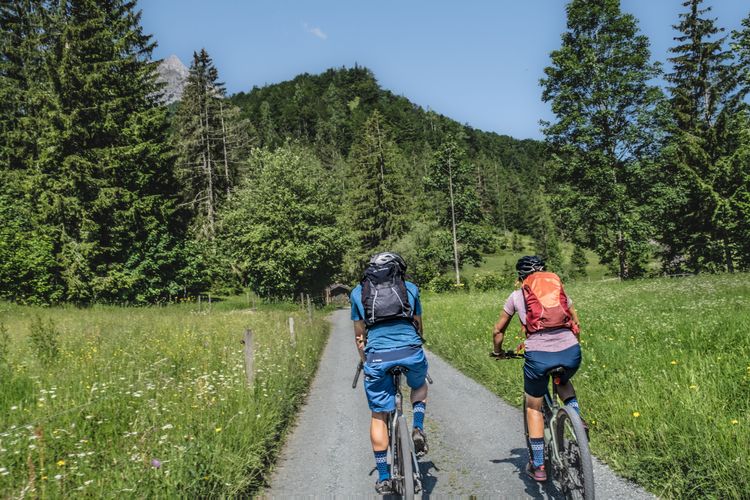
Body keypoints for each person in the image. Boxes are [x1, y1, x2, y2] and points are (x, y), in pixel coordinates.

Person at [490, 255, 584, 482]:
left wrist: (498, 351)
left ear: (520, 276)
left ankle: (539, 464)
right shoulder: (556, 290)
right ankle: (578, 422)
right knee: (562, 379)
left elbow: (498, 330)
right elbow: (576, 322)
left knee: (534, 406)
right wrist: (572, 345)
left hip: (538, 356)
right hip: (571, 352)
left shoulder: (516, 296)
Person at [350, 252, 429, 495]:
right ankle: (417, 427)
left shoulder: (357, 292)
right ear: (398, 270)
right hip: (410, 351)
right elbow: (418, 325)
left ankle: (384, 476)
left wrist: (366, 362)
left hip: (377, 357)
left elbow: (359, 336)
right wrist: (416, 347)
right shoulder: (411, 288)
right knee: (420, 385)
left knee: (379, 414)